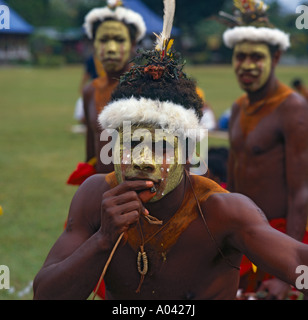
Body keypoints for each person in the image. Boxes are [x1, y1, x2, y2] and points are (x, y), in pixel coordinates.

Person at [33, 0, 308, 300]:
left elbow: (299, 264)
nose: (144, 161)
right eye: (133, 143)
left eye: (162, 146)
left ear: (189, 153)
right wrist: (103, 239)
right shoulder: (95, 198)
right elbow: (45, 295)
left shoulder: (222, 213)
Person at [221, 0, 308, 299]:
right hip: (242, 237)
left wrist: (289, 272)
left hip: (281, 240)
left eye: (256, 57)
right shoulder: (237, 107)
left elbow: (301, 193)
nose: (246, 65)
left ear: (277, 57)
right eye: (240, 56)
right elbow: (231, 186)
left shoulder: (293, 108)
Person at [66, 0, 147, 185]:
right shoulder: (90, 91)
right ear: (93, 44)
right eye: (103, 40)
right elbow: (91, 154)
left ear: (133, 43)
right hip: (104, 192)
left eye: (119, 40)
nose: (110, 48)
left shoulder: (148, 86)